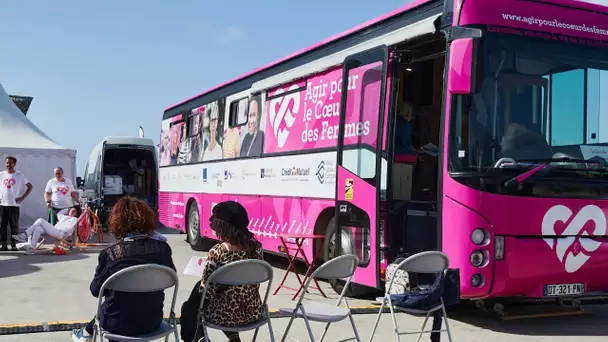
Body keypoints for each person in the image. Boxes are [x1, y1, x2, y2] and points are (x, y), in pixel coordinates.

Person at [70, 197, 175, 342]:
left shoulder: (111, 254)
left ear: (117, 223)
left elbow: (95, 290)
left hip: (117, 324)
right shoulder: (163, 249)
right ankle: (87, 332)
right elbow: (171, 278)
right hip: (152, 321)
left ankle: (86, 333)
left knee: (111, 307)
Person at [181, 201, 263, 342]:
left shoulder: (218, 251)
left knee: (190, 307)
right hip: (252, 312)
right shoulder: (257, 248)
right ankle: (233, 336)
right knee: (230, 296)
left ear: (222, 226)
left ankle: (199, 339)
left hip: (223, 315)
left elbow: (207, 291)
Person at [13, 207, 82, 253]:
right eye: (71, 210)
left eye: (74, 211)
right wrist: (67, 208)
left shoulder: (75, 219)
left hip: (60, 233)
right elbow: (59, 213)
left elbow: (74, 226)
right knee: (38, 229)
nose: (72, 211)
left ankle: (25, 235)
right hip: (54, 232)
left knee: (40, 220)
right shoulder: (63, 217)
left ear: (76, 214)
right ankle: (32, 247)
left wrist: (83, 211)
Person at [0, 156, 33, 251]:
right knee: (3, 225)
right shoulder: (2, 174)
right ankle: (4, 244)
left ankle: (13, 244)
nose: (8, 165)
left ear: (14, 164)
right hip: (3, 204)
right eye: (7, 163)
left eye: (10, 163)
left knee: (14, 226)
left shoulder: (19, 175)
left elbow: (30, 186)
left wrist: (22, 197)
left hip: (14, 205)